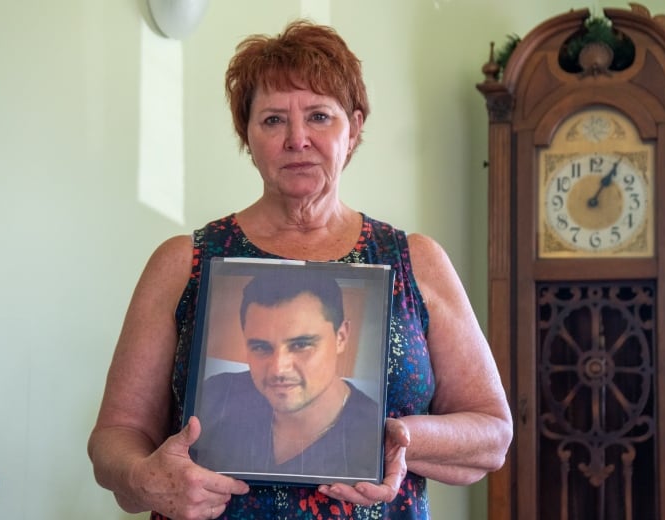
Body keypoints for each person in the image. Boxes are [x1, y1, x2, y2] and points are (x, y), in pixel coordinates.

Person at [87, 19, 513, 520]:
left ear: (352, 128)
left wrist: (402, 439)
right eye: (272, 120)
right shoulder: (183, 262)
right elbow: (115, 436)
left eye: (318, 116)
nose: (297, 139)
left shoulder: (415, 261)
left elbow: (492, 435)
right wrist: (145, 479)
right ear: (245, 133)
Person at [193, 268, 382, 482]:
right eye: (261, 347)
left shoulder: (377, 436)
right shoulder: (216, 394)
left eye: (301, 345)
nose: (278, 369)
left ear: (341, 337)